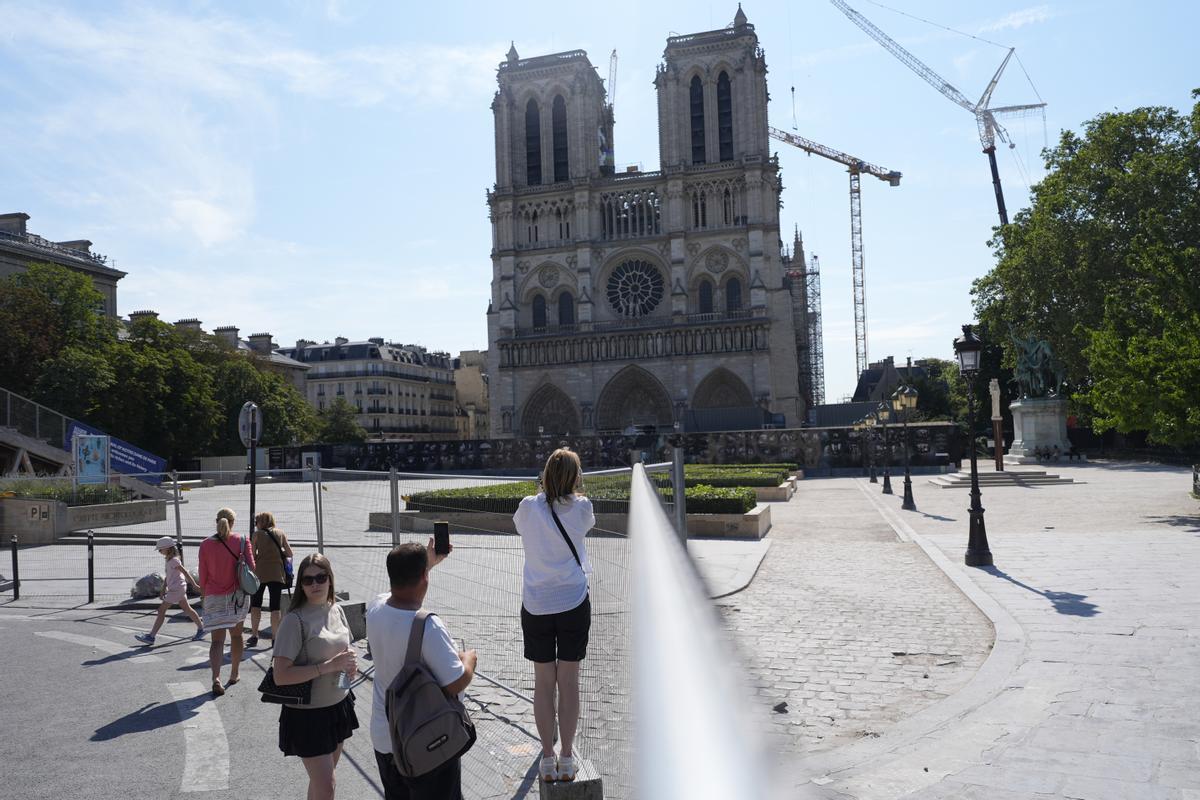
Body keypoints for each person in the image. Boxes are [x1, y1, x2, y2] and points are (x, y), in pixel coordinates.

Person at [367, 540, 476, 800]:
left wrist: (426, 563)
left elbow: (400, 584)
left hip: (386, 735)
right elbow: (455, 682)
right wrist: (469, 660)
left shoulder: (375, 608)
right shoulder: (428, 626)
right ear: (424, 577)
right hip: (426, 740)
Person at [512, 448, 595, 783]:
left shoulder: (528, 508)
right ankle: (566, 757)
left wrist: (540, 491)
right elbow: (583, 522)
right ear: (576, 477)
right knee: (569, 682)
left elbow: (521, 526)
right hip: (573, 600)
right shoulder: (583, 508)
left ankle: (547, 758)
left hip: (536, 604)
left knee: (543, 683)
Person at [272, 554, 359, 800]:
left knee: (323, 782)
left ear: (330, 579)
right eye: (308, 580)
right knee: (327, 785)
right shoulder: (294, 621)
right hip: (308, 716)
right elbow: (281, 676)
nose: (315, 584)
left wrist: (349, 669)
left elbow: (346, 652)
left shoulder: (336, 609)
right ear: (301, 585)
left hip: (338, 706)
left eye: (321, 577)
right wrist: (328, 666)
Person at [198, 507, 255, 697]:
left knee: (216, 641)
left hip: (214, 596)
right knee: (237, 636)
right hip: (236, 596)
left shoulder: (205, 544)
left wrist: (204, 595)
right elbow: (252, 568)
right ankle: (234, 673)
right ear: (233, 522)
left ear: (217, 521)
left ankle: (215, 678)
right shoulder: (241, 540)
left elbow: (203, 574)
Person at [135, 536, 204, 645]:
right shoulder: (169, 560)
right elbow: (168, 576)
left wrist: (195, 585)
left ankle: (151, 636)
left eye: (160, 549)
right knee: (187, 609)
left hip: (176, 589)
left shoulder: (174, 561)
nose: (159, 552)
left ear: (168, 548)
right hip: (178, 588)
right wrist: (163, 588)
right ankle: (201, 628)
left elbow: (185, 572)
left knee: (161, 610)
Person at [248, 511, 293, 649]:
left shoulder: (257, 535)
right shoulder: (280, 533)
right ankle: (275, 638)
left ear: (262, 522)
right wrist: (277, 555)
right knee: (275, 607)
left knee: (256, 604)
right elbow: (290, 553)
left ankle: (255, 635)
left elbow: (252, 555)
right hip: (276, 574)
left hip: (259, 574)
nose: (256, 525)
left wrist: (262, 556)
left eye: (257, 522)